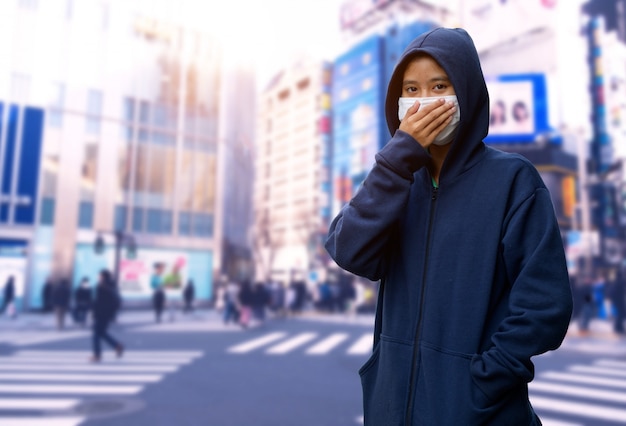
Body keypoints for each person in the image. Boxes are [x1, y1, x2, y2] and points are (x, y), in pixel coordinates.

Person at [324, 28, 573, 425]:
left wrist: (482, 383)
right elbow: (348, 251)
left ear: (467, 90)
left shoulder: (513, 180)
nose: (424, 103)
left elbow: (545, 306)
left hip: (481, 412)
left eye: (439, 85)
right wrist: (398, 159)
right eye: (412, 89)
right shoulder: (396, 184)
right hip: (391, 409)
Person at [90, 269, 124, 362]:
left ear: (103, 276)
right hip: (107, 315)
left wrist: (93, 311)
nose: (99, 277)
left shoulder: (101, 286)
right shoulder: (112, 286)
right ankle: (117, 346)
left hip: (100, 314)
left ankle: (97, 355)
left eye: (100, 276)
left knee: (96, 335)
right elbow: (115, 302)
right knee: (102, 333)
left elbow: (98, 302)